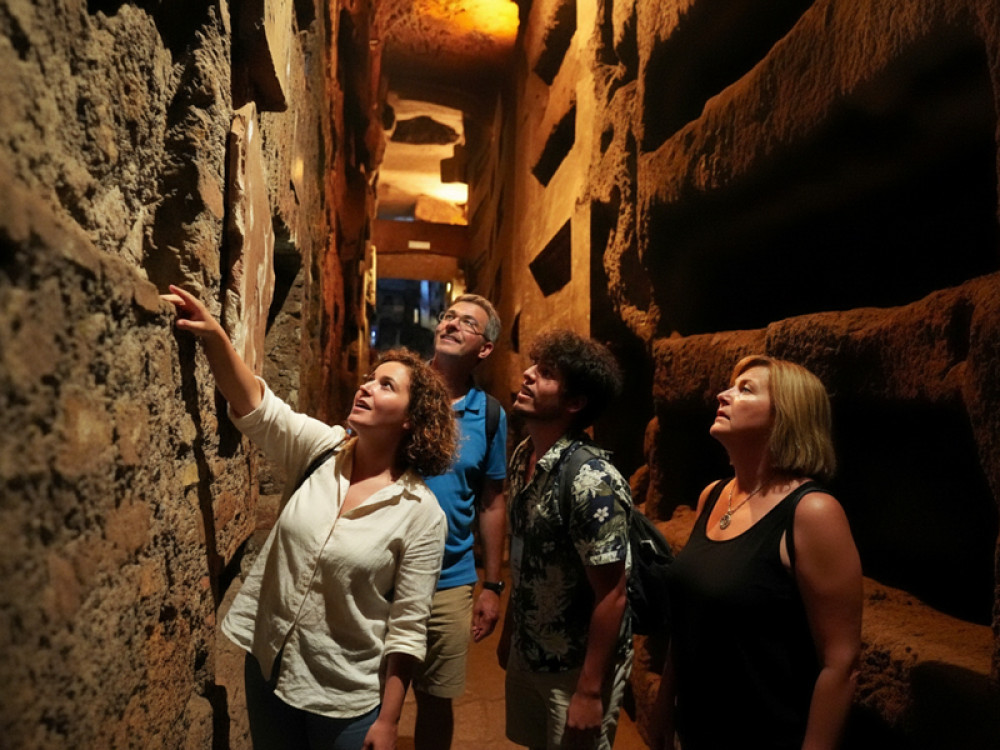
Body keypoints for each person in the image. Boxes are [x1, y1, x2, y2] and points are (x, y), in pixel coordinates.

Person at [161, 285, 457, 750]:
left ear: (411, 421)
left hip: (343, 696)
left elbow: (407, 627)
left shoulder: (420, 514)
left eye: (386, 385)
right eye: (370, 377)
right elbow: (258, 408)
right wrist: (215, 335)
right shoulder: (324, 450)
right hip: (268, 667)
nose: (366, 385)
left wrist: (389, 720)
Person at [650, 354, 863, 750]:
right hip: (696, 731)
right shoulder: (713, 496)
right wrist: (665, 703)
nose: (723, 394)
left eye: (745, 389)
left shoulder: (812, 511)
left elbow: (841, 664)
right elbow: (692, 619)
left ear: (787, 416)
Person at [498, 329, 632, 750]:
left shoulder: (591, 480)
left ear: (574, 403)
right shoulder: (525, 455)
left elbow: (612, 594)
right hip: (531, 650)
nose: (528, 375)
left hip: (574, 667)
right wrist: (511, 631)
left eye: (547, 373)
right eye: (535, 365)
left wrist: (589, 691)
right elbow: (526, 557)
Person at [412, 294, 508, 750]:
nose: (450, 324)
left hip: (448, 580)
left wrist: (492, 585)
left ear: (484, 348)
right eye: (447, 316)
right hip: (379, 574)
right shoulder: (400, 389)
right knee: (365, 694)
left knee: (435, 699)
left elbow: (491, 501)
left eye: (466, 323)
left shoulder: (489, 415)